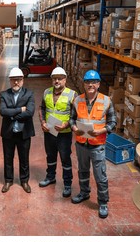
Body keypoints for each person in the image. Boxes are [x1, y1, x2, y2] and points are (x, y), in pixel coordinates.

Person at [69, 70, 116, 219]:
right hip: (81, 143)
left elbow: (113, 122)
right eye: (88, 82)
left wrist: (102, 130)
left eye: (94, 82)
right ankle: (84, 193)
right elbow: (71, 119)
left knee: (100, 175)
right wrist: (74, 128)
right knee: (83, 171)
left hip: (97, 144)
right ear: (84, 84)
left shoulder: (106, 100)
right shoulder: (77, 100)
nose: (91, 85)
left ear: (98, 84)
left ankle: (103, 202)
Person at [38, 67, 78, 198]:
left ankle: (67, 184)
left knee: (65, 158)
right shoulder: (46, 92)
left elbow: (76, 114)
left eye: (60, 78)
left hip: (64, 133)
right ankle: (50, 177)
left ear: (65, 79)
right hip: (49, 131)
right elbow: (42, 108)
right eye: (54, 78)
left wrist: (66, 124)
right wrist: (43, 122)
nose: (57, 81)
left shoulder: (72, 94)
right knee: (50, 156)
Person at [0, 67, 35, 194]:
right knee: (8, 158)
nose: (16, 82)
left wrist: (11, 114)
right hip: (8, 133)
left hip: (24, 133)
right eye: (14, 80)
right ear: (10, 80)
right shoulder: (4, 94)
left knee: (24, 158)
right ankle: (8, 180)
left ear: (22, 80)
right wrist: (20, 110)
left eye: (18, 80)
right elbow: (3, 111)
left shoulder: (29, 94)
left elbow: (30, 112)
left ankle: (24, 181)